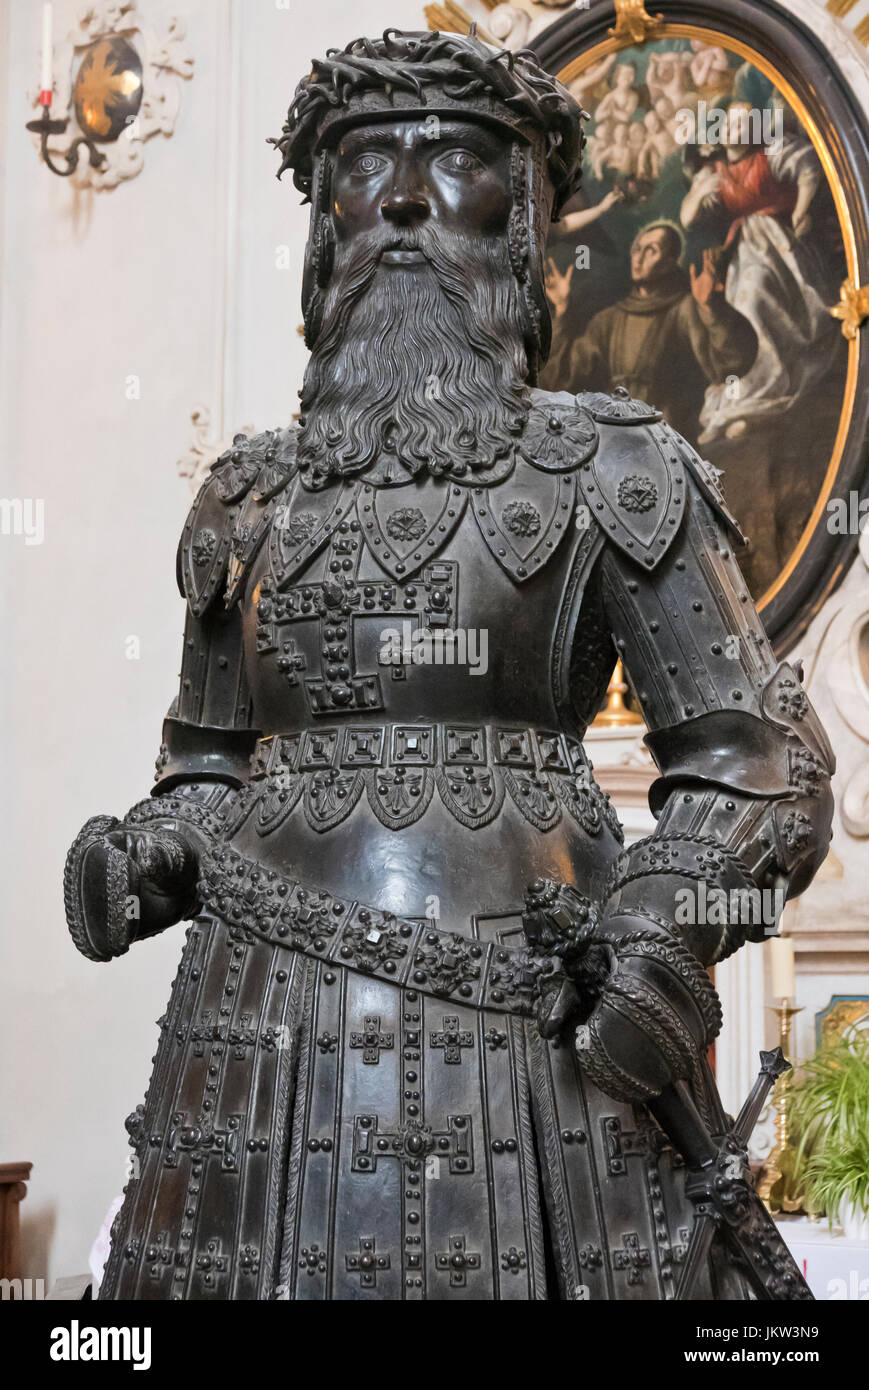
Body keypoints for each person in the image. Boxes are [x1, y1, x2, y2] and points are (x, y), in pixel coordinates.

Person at [65, 30, 832, 1302]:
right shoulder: (247, 496)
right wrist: (142, 854)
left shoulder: (612, 466)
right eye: (367, 164)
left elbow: (757, 764)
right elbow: (205, 771)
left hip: (542, 1057)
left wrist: (654, 924)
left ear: (525, 219)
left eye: (457, 160)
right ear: (324, 222)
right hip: (253, 1062)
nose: (406, 198)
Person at [681, 102, 842, 443]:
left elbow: (810, 165)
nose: (732, 128)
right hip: (747, 251)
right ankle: (744, 406)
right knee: (746, 308)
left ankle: (764, 401)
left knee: (761, 303)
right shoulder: (714, 172)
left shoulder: (771, 155)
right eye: (728, 122)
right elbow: (688, 219)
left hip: (783, 244)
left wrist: (801, 209)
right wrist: (696, 196)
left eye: (742, 122)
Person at [543, 221, 757, 439]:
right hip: (612, 435)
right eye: (637, 248)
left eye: (651, 250)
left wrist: (711, 307)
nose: (639, 256)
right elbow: (562, 378)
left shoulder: (684, 310)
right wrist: (561, 309)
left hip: (669, 436)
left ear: (670, 262)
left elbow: (731, 363)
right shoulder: (609, 319)